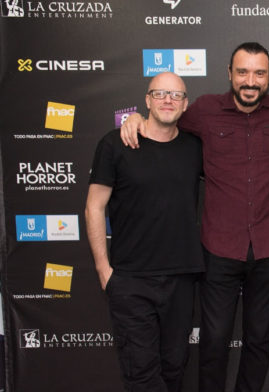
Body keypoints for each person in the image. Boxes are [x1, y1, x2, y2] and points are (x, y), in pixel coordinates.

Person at [120, 42, 269, 392]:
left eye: (259, 73)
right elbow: (165, 121)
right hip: (219, 249)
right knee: (214, 341)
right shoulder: (204, 110)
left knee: (257, 342)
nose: (250, 80)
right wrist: (136, 118)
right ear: (230, 74)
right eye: (243, 72)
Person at [85, 72, 203, 392]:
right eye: (160, 93)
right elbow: (94, 206)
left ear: (185, 104)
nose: (168, 100)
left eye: (176, 95)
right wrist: (103, 270)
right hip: (131, 281)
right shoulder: (116, 143)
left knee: (174, 368)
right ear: (148, 99)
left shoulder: (196, 147)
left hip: (181, 278)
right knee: (141, 374)